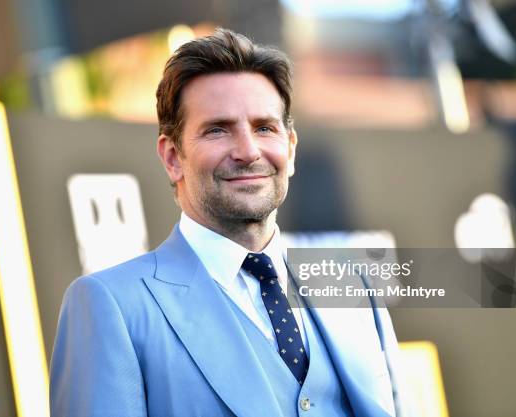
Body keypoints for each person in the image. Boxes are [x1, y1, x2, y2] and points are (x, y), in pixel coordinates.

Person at [50, 28, 407, 417]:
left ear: (289, 146)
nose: (248, 151)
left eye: (264, 127)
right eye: (218, 129)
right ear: (172, 157)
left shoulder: (350, 285)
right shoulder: (112, 305)